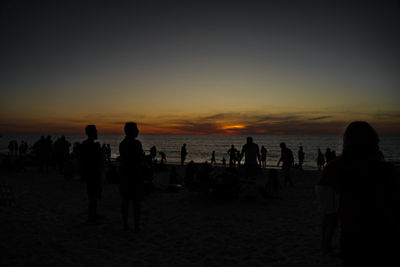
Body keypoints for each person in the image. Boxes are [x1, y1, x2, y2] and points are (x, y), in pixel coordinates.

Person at [316, 121, 399, 266]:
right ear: (374, 142)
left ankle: (326, 244)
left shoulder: (345, 169)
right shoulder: (386, 171)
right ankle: (326, 244)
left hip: (352, 236)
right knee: (330, 216)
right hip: (379, 235)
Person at [119, 122, 145, 232]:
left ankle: (125, 225)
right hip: (134, 175)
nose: (138, 131)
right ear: (131, 131)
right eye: (136, 129)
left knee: (125, 201)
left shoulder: (122, 144)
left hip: (124, 175)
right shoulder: (137, 143)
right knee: (136, 202)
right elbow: (140, 158)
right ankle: (136, 226)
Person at [79, 125, 103, 222]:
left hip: (89, 172)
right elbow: (98, 159)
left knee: (93, 195)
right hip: (93, 172)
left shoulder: (85, 144)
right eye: (96, 131)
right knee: (94, 195)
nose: (97, 133)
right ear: (92, 133)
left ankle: (93, 215)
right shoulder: (93, 145)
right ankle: (91, 217)